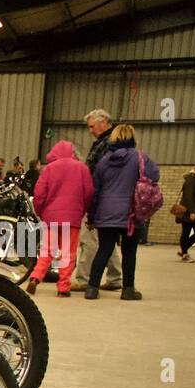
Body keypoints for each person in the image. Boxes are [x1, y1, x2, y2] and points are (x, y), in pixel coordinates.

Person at [86, 124, 158, 301]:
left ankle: (92, 288)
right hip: (131, 214)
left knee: (104, 250)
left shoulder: (104, 160)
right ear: (132, 137)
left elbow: (95, 190)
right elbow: (155, 175)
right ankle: (128, 290)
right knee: (129, 252)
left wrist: (92, 215)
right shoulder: (140, 157)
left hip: (106, 212)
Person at [27, 140, 92, 297]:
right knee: (68, 253)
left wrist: (40, 212)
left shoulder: (48, 169)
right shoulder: (82, 168)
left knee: (47, 250)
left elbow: (39, 193)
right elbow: (89, 192)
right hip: (73, 218)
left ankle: (35, 277)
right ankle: (63, 287)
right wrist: (84, 210)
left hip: (52, 218)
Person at [73, 109, 122, 291]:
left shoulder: (106, 144)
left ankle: (83, 279)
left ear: (104, 122)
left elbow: (95, 173)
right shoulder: (115, 143)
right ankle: (115, 277)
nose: (90, 131)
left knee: (89, 240)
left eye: (92, 127)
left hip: (98, 198)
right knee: (107, 240)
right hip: (110, 200)